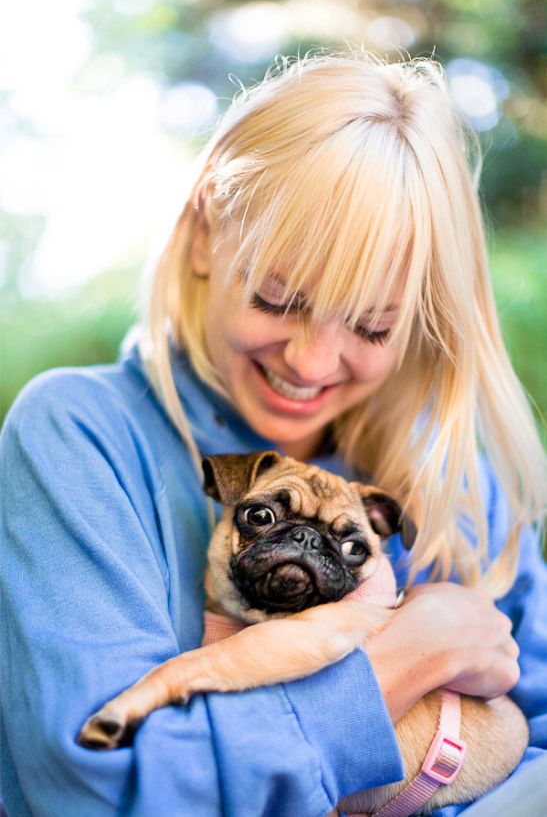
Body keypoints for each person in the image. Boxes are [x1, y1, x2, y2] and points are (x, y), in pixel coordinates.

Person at [1, 52, 545, 817]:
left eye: (370, 325)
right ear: (202, 232)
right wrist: (401, 658)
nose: (311, 361)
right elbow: (101, 787)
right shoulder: (80, 438)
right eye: (277, 297)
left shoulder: (450, 472)